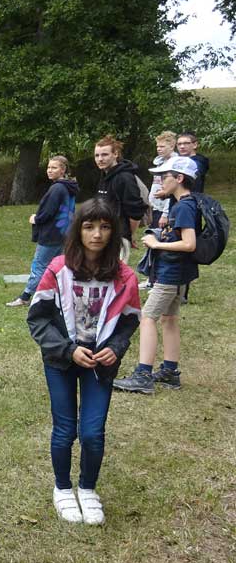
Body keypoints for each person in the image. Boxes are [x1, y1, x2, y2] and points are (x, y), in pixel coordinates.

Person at [27, 198, 141, 525]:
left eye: (105, 227)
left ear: (113, 231)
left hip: (100, 363)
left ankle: (87, 488)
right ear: (78, 230)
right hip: (61, 360)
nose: (97, 234)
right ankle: (62, 487)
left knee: (92, 432)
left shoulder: (125, 277)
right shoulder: (57, 269)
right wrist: (67, 349)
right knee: (64, 429)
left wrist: (116, 347)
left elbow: (129, 320)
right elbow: (38, 319)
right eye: (89, 227)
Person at [112, 156, 200, 395]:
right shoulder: (184, 203)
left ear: (179, 178)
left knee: (147, 317)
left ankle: (143, 375)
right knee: (169, 319)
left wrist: (156, 243)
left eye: (164, 177)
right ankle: (170, 371)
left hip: (171, 273)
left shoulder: (183, 207)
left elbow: (189, 243)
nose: (160, 181)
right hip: (179, 272)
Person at [6, 155, 78, 307]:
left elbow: (48, 212)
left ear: (63, 170)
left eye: (54, 168)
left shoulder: (57, 188)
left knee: (39, 265)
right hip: (64, 233)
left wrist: (36, 219)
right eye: (48, 167)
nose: (49, 170)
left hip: (51, 234)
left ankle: (25, 297)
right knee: (57, 266)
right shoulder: (69, 186)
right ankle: (57, 296)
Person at [93, 135, 145, 261]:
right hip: (102, 234)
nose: (100, 159)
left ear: (115, 154)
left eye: (104, 154)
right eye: (97, 155)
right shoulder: (105, 175)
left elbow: (136, 212)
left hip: (118, 237)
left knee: (114, 272)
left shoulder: (125, 178)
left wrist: (128, 235)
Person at [149, 131, 176, 230]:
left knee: (161, 235)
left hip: (164, 209)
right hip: (155, 206)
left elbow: (172, 191)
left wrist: (165, 214)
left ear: (172, 147)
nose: (158, 149)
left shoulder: (175, 164)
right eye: (157, 146)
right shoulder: (160, 163)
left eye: (162, 146)